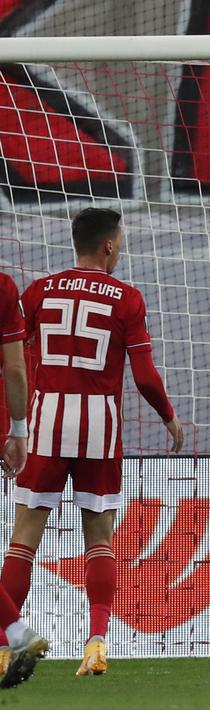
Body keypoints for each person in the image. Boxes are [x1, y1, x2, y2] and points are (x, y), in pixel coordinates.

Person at [4, 208, 184, 678]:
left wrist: (12, 426)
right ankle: (97, 643)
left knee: (24, 541)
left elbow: (15, 365)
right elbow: (144, 376)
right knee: (99, 540)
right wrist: (169, 417)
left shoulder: (38, 291)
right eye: (120, 241)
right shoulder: (127, 298)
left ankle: (6, 646)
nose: (120, 248)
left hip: (44, 421)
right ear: (108, 245)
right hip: (99, 426)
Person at [0, 272, 49, 690]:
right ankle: (15, 634)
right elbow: (15, 368)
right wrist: (18, 429)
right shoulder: (3, 286)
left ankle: (15, 634)